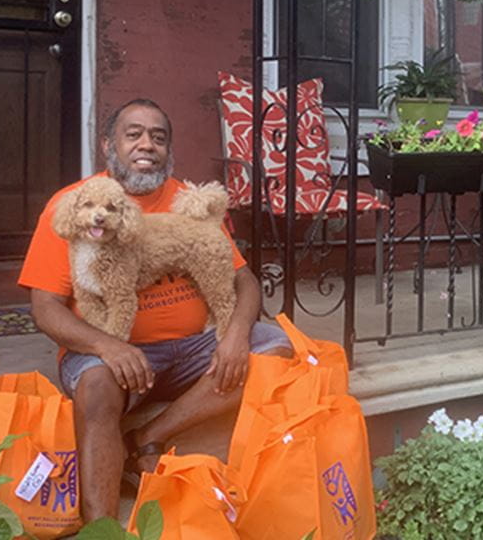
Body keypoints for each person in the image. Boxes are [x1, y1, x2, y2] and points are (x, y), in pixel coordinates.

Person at [19, 98, 291, 522]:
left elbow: (245, 280)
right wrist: (106, 345)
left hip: (197, 349)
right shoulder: (73, 206)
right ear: (108, 145)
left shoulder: (186, 202)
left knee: (276, 350)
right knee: (96, 387)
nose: (147, 145)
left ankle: (148, 436)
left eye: (158, 137)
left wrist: (237, 334)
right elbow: (45, 308)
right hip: (113, 354)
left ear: (169, 150)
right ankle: (103, 529)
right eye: (134, 134)